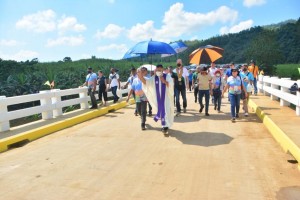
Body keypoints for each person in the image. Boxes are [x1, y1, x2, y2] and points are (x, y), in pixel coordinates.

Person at [139, 64, 174, 135]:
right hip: (157, 99)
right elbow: (146, 83)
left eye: (160, 70)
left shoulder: (167, 76)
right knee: (161, 112)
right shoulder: (154, 78)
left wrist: (164, 81)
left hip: (166, 98)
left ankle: (165, 127)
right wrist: (140, 76)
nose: (159, 71)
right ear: (156, 70)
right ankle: (164, 125)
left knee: (166, 111)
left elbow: (171, 85)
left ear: (162, 69)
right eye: (157, 70)